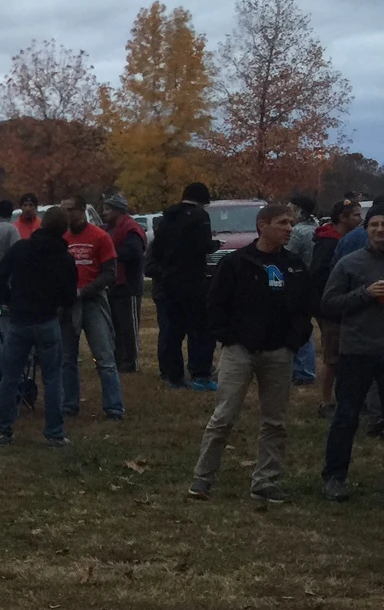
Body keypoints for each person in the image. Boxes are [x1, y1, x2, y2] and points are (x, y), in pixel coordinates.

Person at [187, 203, 312, 505]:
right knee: (224, 416)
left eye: (291, 223)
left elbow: (305, 306)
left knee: (275, 421)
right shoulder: (236, 263)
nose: (289, 229)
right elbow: (214, 303)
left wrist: (293, 341)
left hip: (279, 352)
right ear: (262, 225)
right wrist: (228, 337)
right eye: (282, 223)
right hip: (239, 351)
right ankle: (203, 478)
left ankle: (266, 482)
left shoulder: (293, 265)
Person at [0, 207, 77, 447]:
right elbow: (69, 297)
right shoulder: (64, 257)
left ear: (42, 224)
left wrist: (10, 299)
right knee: (52, 378)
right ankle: (54, 433)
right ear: (64, 230)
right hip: (47, 320)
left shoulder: (21, 249)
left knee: (10, 377)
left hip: (19, 320)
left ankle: (3, 431)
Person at [319, 210, 384, 501]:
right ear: (366, 229)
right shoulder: (350, 263)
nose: (380, 230)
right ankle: (334, 478)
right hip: (357, 350)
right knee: (346, 417)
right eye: (374, 225)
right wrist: (365, 294)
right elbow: (329, 304)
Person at [59, 196, 125, 421]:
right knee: (67, 357)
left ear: (80, 211)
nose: (65, 215)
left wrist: (86, 290)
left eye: (68, 210)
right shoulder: (62, 238)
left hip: (92, 302)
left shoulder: (100, 236)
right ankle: (69, 404)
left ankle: (114, 408)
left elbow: (109, 272)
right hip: (67, 304)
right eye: (62, 211)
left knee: (104, 356)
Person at [149, 181, 217, 391]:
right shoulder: (199, 216)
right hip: (193, 281)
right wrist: (215, 245)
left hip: (168, 282)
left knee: (172, 331)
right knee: (200, 329)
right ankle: (201, 374)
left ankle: (174, 376)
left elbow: (157, 249)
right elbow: (203, 245)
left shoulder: (166, 218)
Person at [311, 199, 363, 416]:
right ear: (343, 218)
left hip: (341, 306)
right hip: (330, 309)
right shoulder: (329, 242)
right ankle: (325, 402)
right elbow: (318, 275)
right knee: (332, 357)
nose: (360, 220)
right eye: (356, 216)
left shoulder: (343, 239)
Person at [102, 194, 148, 374]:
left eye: (107, 209)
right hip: (114, 284)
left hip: (128, 284)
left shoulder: (131, 229)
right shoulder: (110, 228)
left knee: (128, 327)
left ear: (117, 210)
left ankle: (131, 362)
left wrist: (109, 255)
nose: (104, 213)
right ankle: (119, 359)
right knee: (116, 326)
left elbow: (133, 253)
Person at [287, 195, 319, 385]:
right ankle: (305, 370)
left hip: (297, 282)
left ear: (300, 210)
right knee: (305, 325)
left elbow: (287, 255)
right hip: (310, 283)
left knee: (297, 326)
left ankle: (303, 371)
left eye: (291, 208)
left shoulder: (297, 232)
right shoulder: (315, 227)